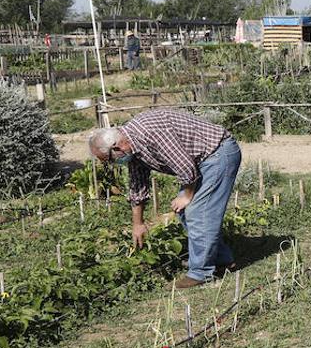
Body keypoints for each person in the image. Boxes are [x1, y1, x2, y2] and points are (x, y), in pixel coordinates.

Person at [88, 109, 243, 289]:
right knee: (185, 211)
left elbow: (185, 166)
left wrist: (186, 196)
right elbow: (138, 185)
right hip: (201, 161)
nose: (111, 164)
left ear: (117, 148)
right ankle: (222, 260)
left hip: (217, 154)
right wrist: (138, 224)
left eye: (108, 160)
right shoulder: (133, 148)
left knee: (197, 212)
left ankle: (200, 273)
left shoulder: (150, 133)